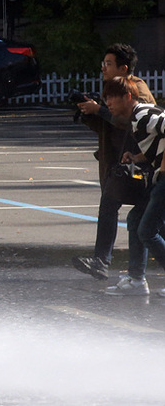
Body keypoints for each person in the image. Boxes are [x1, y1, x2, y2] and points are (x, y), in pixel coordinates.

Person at [72, 43, 155, 280]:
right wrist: (89, 113)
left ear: (124, 68)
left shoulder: (137, 89)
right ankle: (110, 265)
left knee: (143, 222)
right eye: (103, 64)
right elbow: (107, 128)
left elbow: (134, 122)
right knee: (134, 218)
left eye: (108, 64)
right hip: (121, 164)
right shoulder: (113, 90)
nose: (103, 68)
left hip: (140, 164)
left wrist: (99, 109)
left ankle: (111, 265)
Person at [101, 76, 165, 296]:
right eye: (105, 98)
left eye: (111, 98)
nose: (107, 103)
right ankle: (137, 279)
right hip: (159, 178)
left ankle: (137, 279)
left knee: (147, 230)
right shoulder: (142, 116)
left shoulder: (142, 116)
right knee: (136, 219)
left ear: (128, 97)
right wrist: (138, 157)